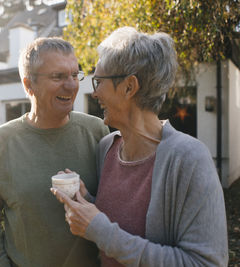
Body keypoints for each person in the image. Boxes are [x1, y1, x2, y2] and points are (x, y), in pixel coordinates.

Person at [51, 27, 228, 266]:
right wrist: (87, 202)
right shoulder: (107, 149)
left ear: (129, 87)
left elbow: (205, 263)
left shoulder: (190, 159)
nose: (94, 93)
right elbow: (118, 224)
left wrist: (100, 230)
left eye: (99, 81)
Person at [0, 37, 109, 266]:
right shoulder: (0, 142)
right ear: (28, 85)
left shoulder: (98, 132)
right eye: (58, 76)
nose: (72, 85)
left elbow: (115, 210)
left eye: (75, 75)